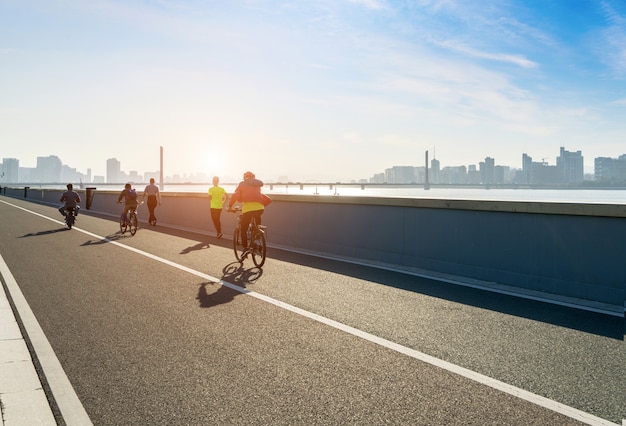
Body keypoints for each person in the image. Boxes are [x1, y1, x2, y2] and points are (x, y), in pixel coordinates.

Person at [228, 171, 266, 249]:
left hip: (248, 209)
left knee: (243, 228)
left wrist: (230, 206)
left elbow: (235, 195)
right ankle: (257, 234)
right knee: (257, 224)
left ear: (245, 177)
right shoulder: (257, 185)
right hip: (260, 208)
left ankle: (245, 248)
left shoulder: (242, 184)